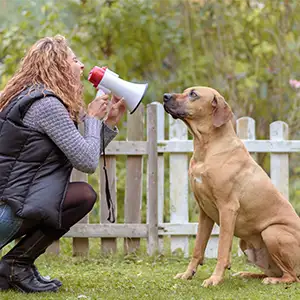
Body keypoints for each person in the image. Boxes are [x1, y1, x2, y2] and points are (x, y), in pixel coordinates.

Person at [0, 35, 126, 293]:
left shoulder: (30, 97)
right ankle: (16, 265)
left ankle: (15, 268)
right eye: (74, 59)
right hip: (6, 212)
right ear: (57, 65)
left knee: (76, 195)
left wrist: (109, 123)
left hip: (8, 206)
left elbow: (79, 151)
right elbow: (87, 162)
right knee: (82, 196)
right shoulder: (46, 105)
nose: (81, 66)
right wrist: (92, 118)